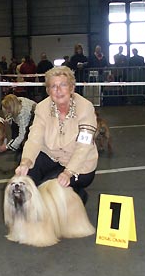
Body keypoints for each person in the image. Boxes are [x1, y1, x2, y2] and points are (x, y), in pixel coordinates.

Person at [14, 66, 98, 204]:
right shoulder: (42, 108)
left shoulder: (85, 108)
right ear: (48, 90)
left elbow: (84, 145)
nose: (58, 90)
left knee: (49, 190)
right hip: (52, 157)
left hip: (80, 166)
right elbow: (34, 139)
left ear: (72, 88)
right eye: (53, 86)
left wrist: (68, 172)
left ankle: (78, 195)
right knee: (26, 176)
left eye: (63, 85)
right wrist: (25, 161)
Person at [0, 94, 36, 161]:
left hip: (34, 117)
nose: (6, 111)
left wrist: (7, 147)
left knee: (26, 135)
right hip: (23, 113)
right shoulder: (15, 100)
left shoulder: (23, 114)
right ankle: (15, 144)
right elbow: (10, 115)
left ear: (11, 108)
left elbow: (22, 134)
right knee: (14, 125)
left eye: (8, 109)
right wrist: (8, 120)